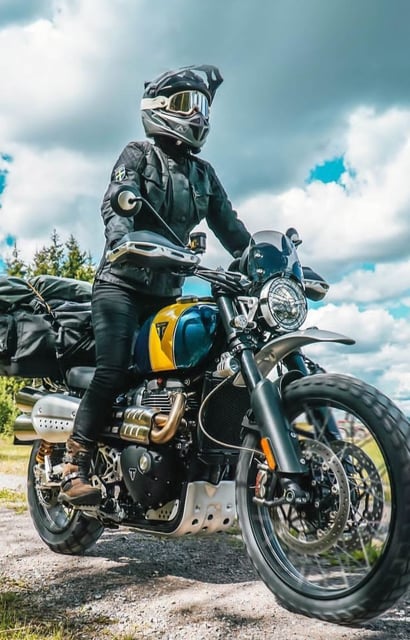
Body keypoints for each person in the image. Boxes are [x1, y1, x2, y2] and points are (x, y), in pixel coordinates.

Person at [59, 65, 251, 506]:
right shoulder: (137, 155)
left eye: (203, 107)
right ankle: (75, 463)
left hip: (167, 292)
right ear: (159, 107)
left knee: (201, 368)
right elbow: (117, 202)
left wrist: (261, 262)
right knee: (114, 370)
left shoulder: (203, 175)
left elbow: (232, 229)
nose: (198, 115)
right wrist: (121, 241)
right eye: (187, 104)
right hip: (121, 284)